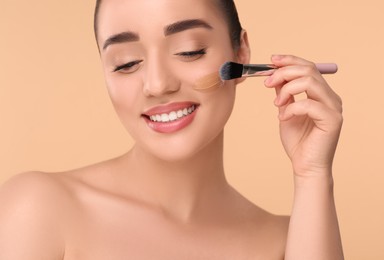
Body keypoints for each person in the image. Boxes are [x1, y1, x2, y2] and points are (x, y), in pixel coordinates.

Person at [0, 0, 344, 259]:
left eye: (189, 51)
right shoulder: (38, 208)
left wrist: (312, 175)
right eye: (126, 63)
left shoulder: (287, 241)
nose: (157, 84)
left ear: (240, 51)